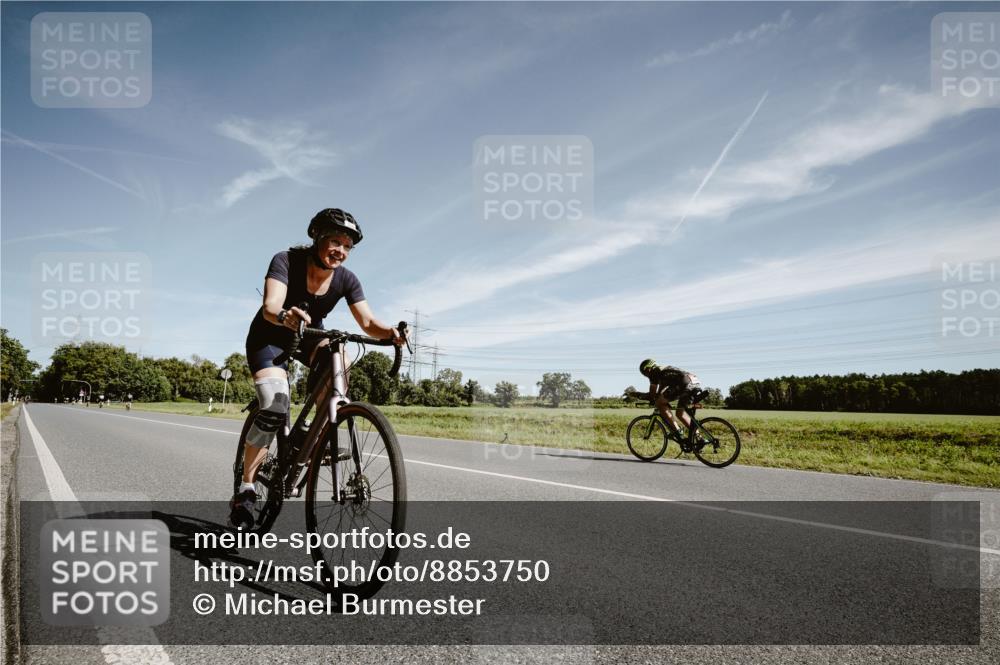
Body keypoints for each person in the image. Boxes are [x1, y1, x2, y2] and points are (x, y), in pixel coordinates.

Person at [230, 208, 406, 529]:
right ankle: (246, 488)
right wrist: (286, 315)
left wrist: (390, 333)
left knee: (341, 358)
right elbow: (271, 305)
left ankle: (312, 431)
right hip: (270, 336)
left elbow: (367, 322)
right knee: (275, 404)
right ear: (317, 237)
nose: (340, 250)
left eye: (347, 246)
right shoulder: (286, 261)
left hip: (309, 336)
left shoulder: (347, 280)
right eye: (335, 241)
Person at [636, 359, 702, 433]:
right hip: (694, 382)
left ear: (648, 369)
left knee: (660, 403)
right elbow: (659, 393)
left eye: (645, 373)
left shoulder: (654, 372)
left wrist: (637, 394)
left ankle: (677, 431)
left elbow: (652, 394)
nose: (646, 376)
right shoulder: (664, 371)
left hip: (684, 383)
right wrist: (657, 397)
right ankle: (699, 437)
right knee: (680, 414)